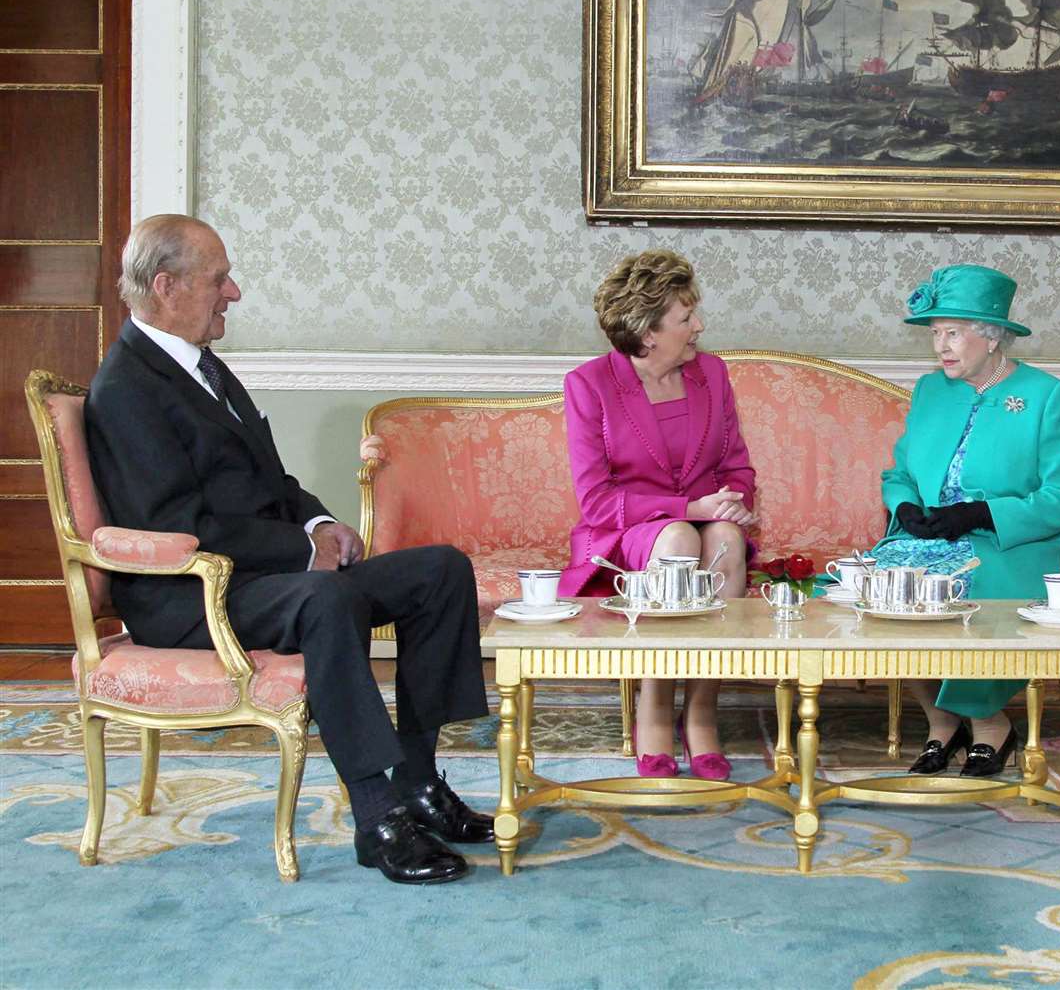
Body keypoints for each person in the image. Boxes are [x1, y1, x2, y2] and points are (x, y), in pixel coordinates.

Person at [83, 215, 493, 885]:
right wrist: (303, 554)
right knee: (326, 597)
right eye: (220, 280)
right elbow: (177, 523)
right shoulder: (127, 389)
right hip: (189, 596)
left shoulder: (201, 369)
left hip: (262, 579)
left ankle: (420, 785)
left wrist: (319, 524)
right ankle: (377, 814)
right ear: (167, 286)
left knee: (440, 569)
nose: (234, 293)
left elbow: (270, 484)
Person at [876, 264, 1060, 777]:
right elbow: (899, 471)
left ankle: (990, 724)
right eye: (935, 334)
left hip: (1002, 544)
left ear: (992, 338)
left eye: (952, 334)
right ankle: (940, 721)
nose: (940, 347)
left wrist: (980, 512)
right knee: (882, 588)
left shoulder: (1044, 395)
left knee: (957, 585)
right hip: (924, 538)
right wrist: (904, 508)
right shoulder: (930, 390)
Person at [559, 250, 753, 780]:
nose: (699, 327)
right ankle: (654, 709)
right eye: (685, 318)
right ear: (647, 333)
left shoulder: (712, 373)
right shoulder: (590, 385)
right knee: (675, 541)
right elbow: (596, 501)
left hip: (700, 523)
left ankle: (703, 710)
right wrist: (688, 509)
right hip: (624, 535)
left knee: (727, 540)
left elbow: (737, 464)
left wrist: (733, 499)